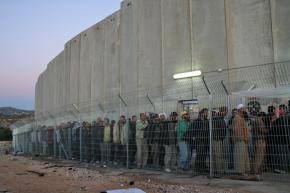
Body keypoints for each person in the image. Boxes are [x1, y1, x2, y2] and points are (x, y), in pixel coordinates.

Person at [268, 104, 290, 173]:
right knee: (280, 155)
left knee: (283, 155)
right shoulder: (275, 119)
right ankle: (280, 168)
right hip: (279, 140)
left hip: (283, 140)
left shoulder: (285, 118)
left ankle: (283, 168)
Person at [232, 104, 250, 175]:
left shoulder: (240, 117)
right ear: (240, 109)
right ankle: (240, 171)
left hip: (243, 140)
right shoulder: (237, 118)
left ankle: (244, 170)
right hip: (240, 140)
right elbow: (237, 131)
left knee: (243, 156)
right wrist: (243, 138)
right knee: (240, 156)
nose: (245, 110)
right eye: (244, 109)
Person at [192, 108, 209, 173]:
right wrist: (195, 137)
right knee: (199, 154)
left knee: (204, 154)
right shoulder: (197, 121)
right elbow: (193, 129)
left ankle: (203, 166)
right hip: (199, 140)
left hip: (205, 140)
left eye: (207, 113)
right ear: (202, 113)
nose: (207, 114)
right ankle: (197, 168)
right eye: (205, 113)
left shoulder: (207, 120)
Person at [212, 107, 228, 175]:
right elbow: (214, 129)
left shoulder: (221, 119)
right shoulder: (216, 118)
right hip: (217, 139)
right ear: (221, 111)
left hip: (220, 139)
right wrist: (217, 138)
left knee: (218, 155)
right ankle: (219, 171)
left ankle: (217, 170)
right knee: (218, 155)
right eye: (225, 112)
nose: (226, 114)